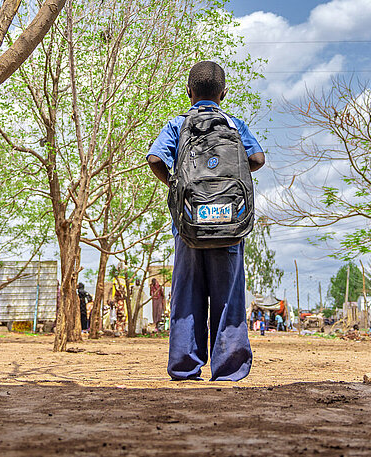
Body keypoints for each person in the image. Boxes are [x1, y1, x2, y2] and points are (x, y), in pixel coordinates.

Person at [147, 61, 265, 381]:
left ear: (188, 91)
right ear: (223, 93)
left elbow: (155, 159)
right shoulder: (234, 124)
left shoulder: (178, 124)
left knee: (187, 295)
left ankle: (185, 367)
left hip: (189, 224)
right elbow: (257, 159)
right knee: (229, 297)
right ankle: (228, 370)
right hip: (229, 224)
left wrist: (175, 184)